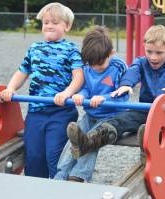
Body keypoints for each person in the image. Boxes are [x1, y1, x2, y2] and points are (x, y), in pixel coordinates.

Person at [67, 25, 165, 160]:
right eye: (149, 52)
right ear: (144, 47)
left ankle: (148, 151)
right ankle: (89, 142)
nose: (153, 57)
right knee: (120, 119)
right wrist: (125, 85)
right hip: (146, 110)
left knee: (152, 128)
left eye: (159, 53)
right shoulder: (142, 62)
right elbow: (133, 71)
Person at [0, 3, 84, 178]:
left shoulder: (71, 49)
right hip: (36, 111)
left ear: (66, 26)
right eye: (46, 22)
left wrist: (67, 93)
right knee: (35, 155)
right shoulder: (35, 48)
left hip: (60, 112)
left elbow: (79, 77)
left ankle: (58, 189)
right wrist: (10, 88)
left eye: (55, 22)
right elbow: (22, 72)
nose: (49, 25)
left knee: (54, 155)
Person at [54, 26, 128, 182]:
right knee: (75, 140)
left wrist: (104, 98)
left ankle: (78, 176)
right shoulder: (87, 67)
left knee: (89, 141)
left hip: (110, 118)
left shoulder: (118, 67)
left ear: (111, 54)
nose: (95, 68)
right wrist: (81, 95)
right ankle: (61, 175)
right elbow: (86, 87)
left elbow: (124, 94)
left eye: (100, 64)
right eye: (91, 64)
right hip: (91, 114)